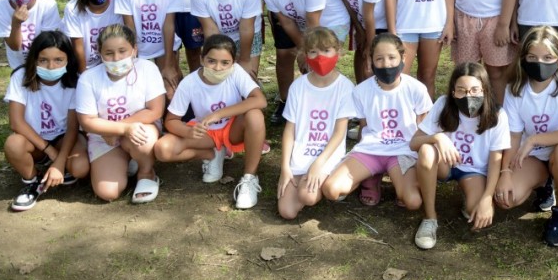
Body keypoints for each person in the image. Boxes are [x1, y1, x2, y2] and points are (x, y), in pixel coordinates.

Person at [496, 26, 558, 247]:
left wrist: (534, 139)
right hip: (534, 156)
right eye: (532, 57)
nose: (539, 63)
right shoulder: (515, 87)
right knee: (506, 199)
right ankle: (545, 183)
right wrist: (505, 172)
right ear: (523, 58)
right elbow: (513, 136)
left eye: (548, 57)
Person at [155, 34, 268, 209]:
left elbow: (260, 100)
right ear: (201, 59)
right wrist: (187, 131)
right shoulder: (189, 83)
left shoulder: (237, 73)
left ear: (233, 63)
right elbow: (171, 121)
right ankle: (212, 154)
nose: (217, 67)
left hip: (233, 129)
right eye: (211, 61)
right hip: (205, 132)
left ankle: (249, 178)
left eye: (225, 63)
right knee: (163, 150)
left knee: (255, 115)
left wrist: (219, 114)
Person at [322, 33, 432, 208]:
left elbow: (423, 128)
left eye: (392, 58)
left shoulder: (416, 89)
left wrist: (417, 162)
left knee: (412, 202)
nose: (386, 64)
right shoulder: (361, 90)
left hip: (401, 151)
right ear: (370, 60)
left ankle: (393, 179)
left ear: (403, 57)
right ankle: (370, 175)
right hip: (371, 150)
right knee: (331, 190)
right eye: (379, 59)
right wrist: (359, 151)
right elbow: (363, 128)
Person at [410, 62, 511, 249]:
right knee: (426, 150)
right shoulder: (443, 104)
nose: (468, 96)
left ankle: (469, 195)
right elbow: (413, 143)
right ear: (453, 92)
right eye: (461, 90)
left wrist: (487, 198)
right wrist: (438, 137)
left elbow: (496, 160)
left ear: (485, 90)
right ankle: (430, 218)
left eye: (474, 90)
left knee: (477, 214)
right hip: (444, 165)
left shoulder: (498, 116)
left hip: (473, 172)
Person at [261, 0, 351, 123]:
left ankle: (329, 105)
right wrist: (302, 50)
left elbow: (314, 22)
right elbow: (285, 22)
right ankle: (286, 102)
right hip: (300, 21)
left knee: (320, 60)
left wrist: (305, 52)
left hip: (330, 22)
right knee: (286, 55)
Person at [75, 24, 165, 203]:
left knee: (143, 139)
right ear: (99, 52)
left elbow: (155, 110)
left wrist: (119, 129)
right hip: (103, 136)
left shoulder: (147, 69)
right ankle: (127, 158)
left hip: (139, 129)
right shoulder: (88, 78)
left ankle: (146, 173)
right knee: (107, 193)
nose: (116, 58)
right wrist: (118, 130)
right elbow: (86, 121)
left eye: (122, 51)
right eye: (109, 53)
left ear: (134, 49)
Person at [5, 30, 88, 211]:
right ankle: (32, 180)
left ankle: (59, 167)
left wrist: (59, 160)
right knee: (13, 144)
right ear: (34, 59)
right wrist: (51, 153)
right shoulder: (20, 77)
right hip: (33, 140)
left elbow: (73, 127)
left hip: (63, 137)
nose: (51, 66)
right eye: (43, 60)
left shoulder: (76, 81)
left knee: (80, 168)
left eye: (58, 60)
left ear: (68, 59)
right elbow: (16, 122)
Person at [277, 28, 355, 219]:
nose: (320, 56)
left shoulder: (345, 87)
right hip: (301, 155)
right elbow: (290, 130)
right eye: (313, 51)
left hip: (327, 157)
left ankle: (343, 180)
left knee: (308, 196)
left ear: (338, 51)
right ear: (305, 55)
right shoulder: (298, 86)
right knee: (287, 212)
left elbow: (339, 133)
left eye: (326, 50)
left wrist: (317, 165)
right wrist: (285, 168)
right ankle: (307, 180)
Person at [62, 0, 124, 71]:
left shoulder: (118, 4)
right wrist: (83, 74)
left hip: (108, 63)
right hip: (80, 64)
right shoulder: (73, 8)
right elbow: (78, 47)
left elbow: (119, 40)